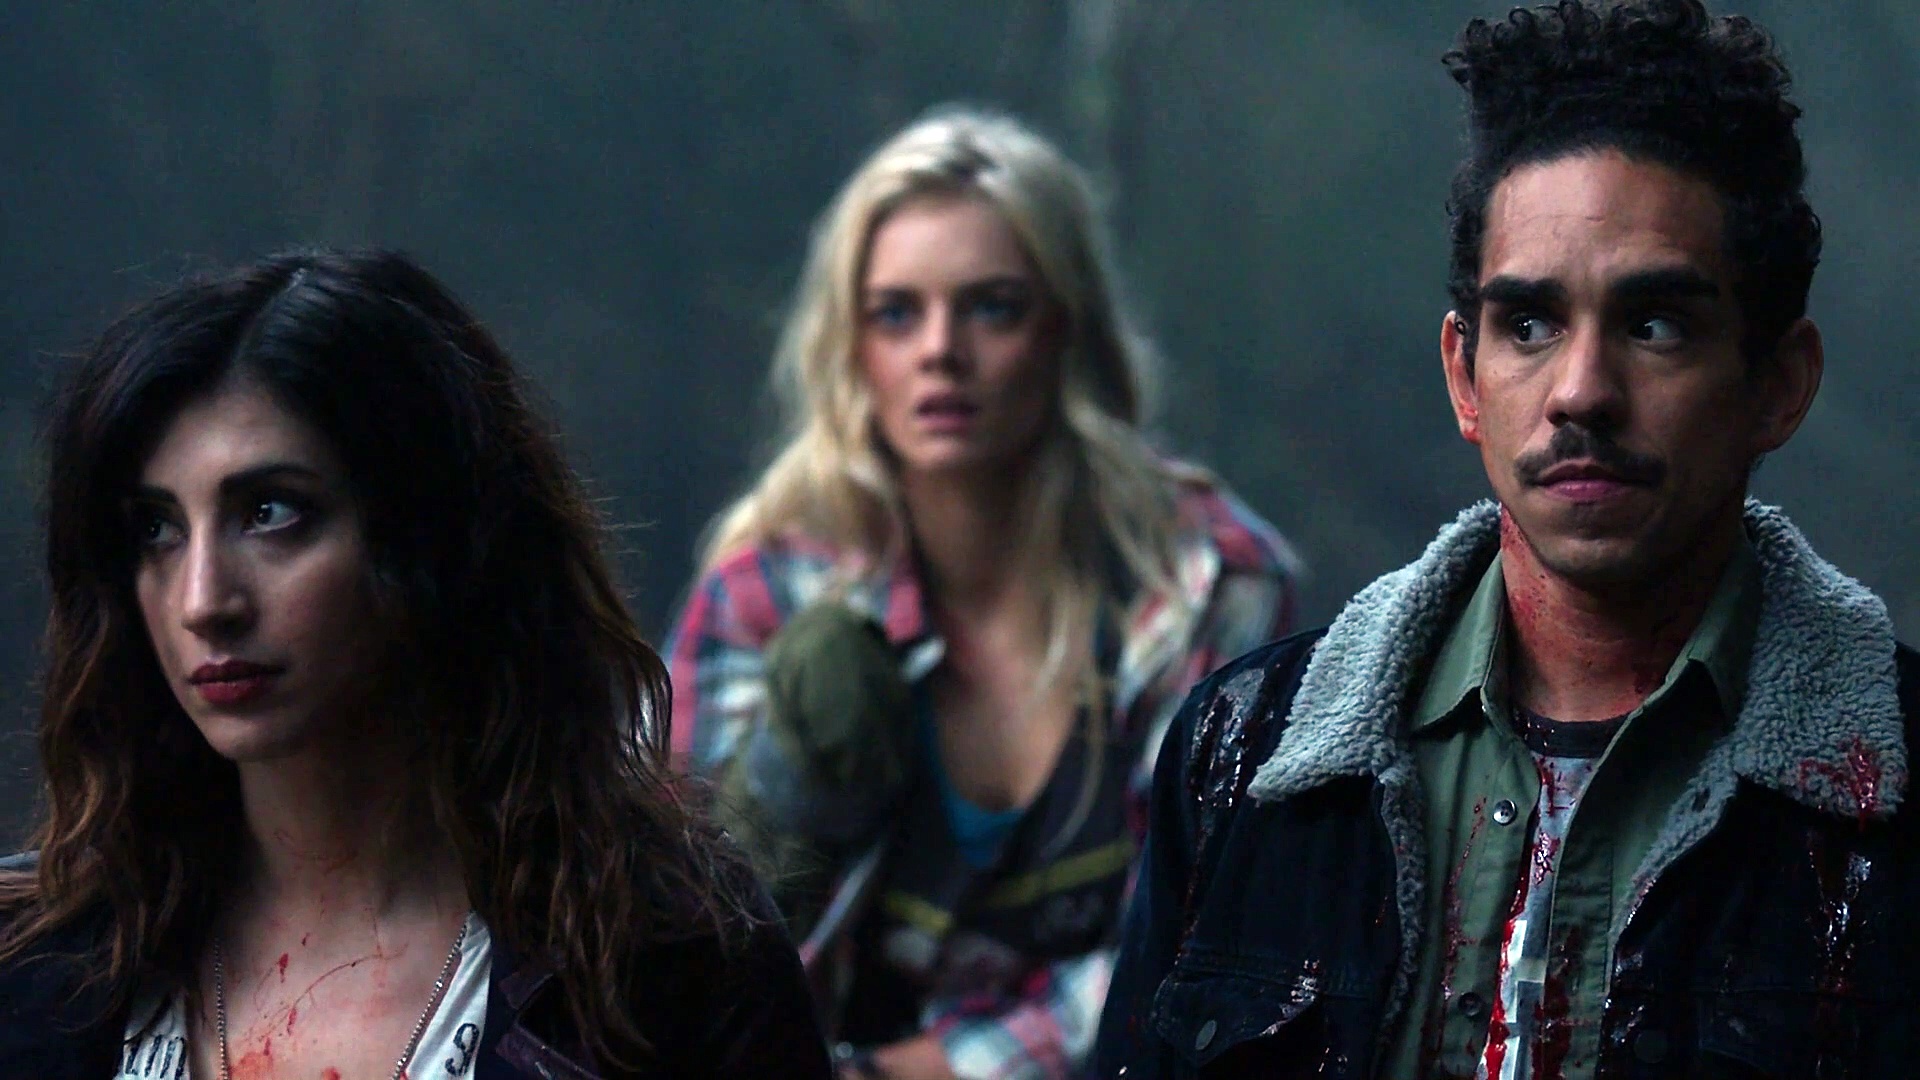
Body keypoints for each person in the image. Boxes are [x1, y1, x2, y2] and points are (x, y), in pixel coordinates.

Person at [1095, 2, 1919, 1077]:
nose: (1580, 391)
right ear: (1464, 377)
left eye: (1655, 325)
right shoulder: (1241, 759)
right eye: (1528, 324)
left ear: (1778, 384)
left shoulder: (1895, 801)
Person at [0, 248, 832, 1079]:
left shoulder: (672, 965)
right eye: (156, 529)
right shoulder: (35, 969)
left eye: (271, 512)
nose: (203, 600)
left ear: (430, 536)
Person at [666, 107, 1300, 1080]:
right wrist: (792, 793)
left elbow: (1210, 950)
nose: (940, 351)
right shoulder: (768, 591)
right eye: (895, 314)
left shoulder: (1208, 583)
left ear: (1064, 328)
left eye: (992, 307)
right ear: (852, 345)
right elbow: (669, 958)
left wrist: (913, 1074)